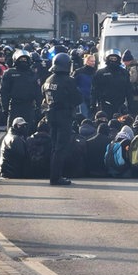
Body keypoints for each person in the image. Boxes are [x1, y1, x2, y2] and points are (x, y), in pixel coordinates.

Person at [41, 52, 83, 186]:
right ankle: (56, 177)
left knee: (54, 146)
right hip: (64, 116)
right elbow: (78, 98)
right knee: (61, 148)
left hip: (51, 115)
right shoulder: (68, 81)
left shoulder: (48, 80)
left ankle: (54, 174)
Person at [0, 49, 42, 133]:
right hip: (14, 106)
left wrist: (38, 106)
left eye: (25, 59)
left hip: (29, 106)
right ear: (16, 60)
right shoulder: (9, 73)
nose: (23, 61)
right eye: (21, 59)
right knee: (12, 132)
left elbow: (38, 92)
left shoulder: (32, 74)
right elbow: (3, 92)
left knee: (29, 131)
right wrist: (4, 107)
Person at [90, 49, 133, 118]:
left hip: (120, 105)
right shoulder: (100, 73)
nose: (113, 60)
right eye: (111, 58)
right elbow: (94, 90)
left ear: (118, 59)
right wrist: (93, 104)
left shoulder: (124, 73)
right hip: (105, 104)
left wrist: (130, 105)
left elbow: (129, 90)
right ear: (107, 59)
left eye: (115, 58)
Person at [121, 49, 138, 115]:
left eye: (124, 61)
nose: (124, 63)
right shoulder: (136, 66)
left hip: (136, 94)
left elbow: (132, 79)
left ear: (128, 61)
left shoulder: (133, 68)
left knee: (134, 112)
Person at [72, 54, 96, 118]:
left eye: (94, 61)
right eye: (91, 61)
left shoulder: (96, 73)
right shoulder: (78, 72)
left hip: (92, 99)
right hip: (82, 99)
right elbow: (73, 84)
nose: (93, 63)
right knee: (84, 116)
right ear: (87, 61)